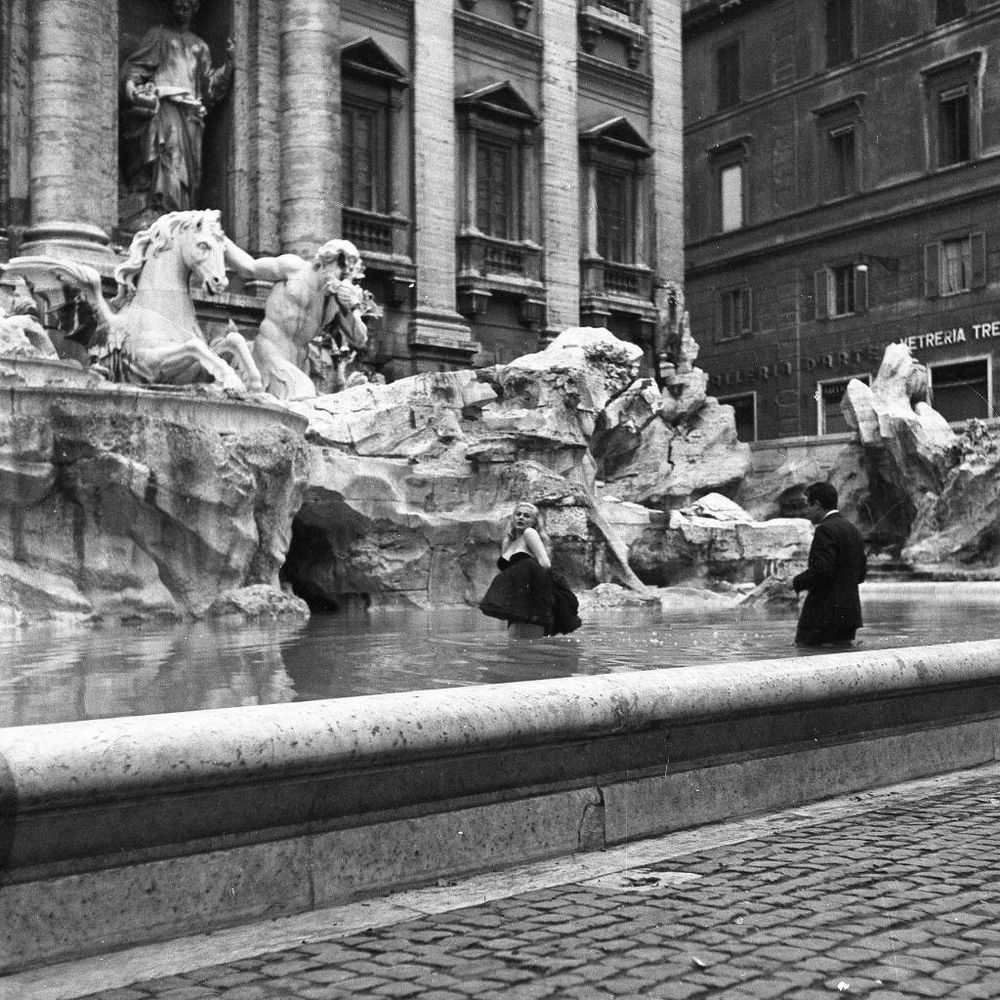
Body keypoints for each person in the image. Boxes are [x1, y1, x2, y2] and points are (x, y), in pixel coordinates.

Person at [120, 0, 234, 219]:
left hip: (192, 114)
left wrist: (230, 63)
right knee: (168, 156)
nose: (182, 12)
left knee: (189, 171)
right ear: (170, 8)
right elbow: (138, 67)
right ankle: (163, 210)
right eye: (177, 7)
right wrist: (131, 86)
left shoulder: (200, 46)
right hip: (167, 106)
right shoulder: (158, 36)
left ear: (194, 9)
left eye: (186, 8)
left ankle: (180, 214)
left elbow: (209, 87)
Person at [223, 237, 368, 400]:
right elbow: (248, 267)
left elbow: (360, 339)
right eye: (342, 269)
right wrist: (220, 238)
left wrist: (352, 307)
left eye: (349, 275)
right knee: (304, 395)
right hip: (269, 356)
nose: (344, 278)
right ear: (328, 260)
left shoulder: (335, 302)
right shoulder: (294, 268)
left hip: (298, 367)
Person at [479, 502, 581, 639]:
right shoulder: (509, 541)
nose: (521, 517)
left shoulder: (530, 533)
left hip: (531, 600)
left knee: (527, 644)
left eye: (527, 516)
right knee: (515, 644)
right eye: (518, 514)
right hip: (516, 601)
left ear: (534, 522)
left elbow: (545, 564)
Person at [792, 482, 868, 647]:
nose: (806, 511)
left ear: (817, 504)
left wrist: (796, 582)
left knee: (806, 656)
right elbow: (861, 574)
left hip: (822, 616)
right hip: (849, 615)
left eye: (808, 505)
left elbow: (822, 571)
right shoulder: (852, 529)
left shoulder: (825, 529)